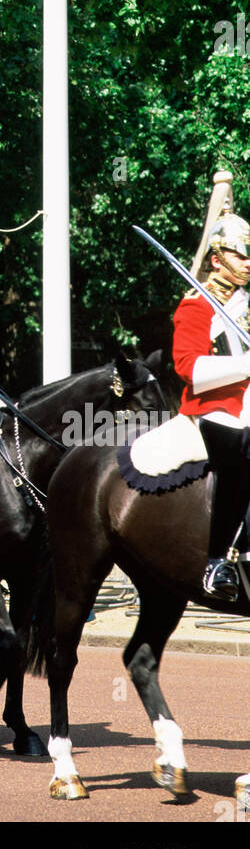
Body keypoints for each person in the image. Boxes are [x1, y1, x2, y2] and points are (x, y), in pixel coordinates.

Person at [173, 172, 250, 603]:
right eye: (241, 256)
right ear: (217, 258)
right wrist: (244, 364)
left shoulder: (247, 304)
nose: (248, 263)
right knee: (239, 459)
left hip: (248, 408)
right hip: (210, 412)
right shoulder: (195, 304)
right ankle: (217, 559)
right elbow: (189, 368)